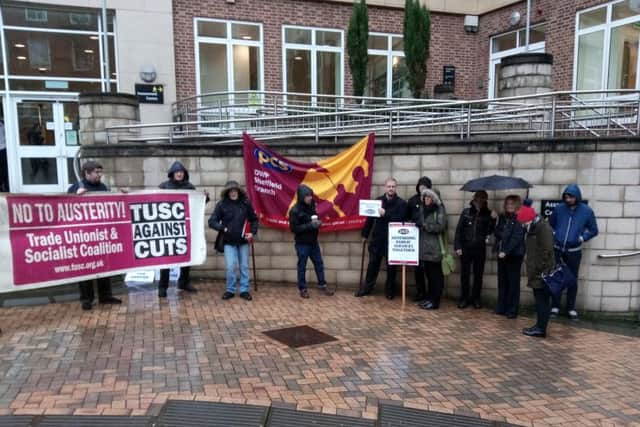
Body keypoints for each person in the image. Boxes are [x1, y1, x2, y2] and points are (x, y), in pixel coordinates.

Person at [68, 160, 121, 311]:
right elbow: (65, 207)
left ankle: (105, 295)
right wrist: (75, 196)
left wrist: (122, 196)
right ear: (87, 173)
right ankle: (86, 299)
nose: (100, 175)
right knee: (86, 268)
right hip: (84, 236)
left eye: (100, 172)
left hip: (100, 234)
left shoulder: (103, 188)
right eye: (96, 172)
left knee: (105, 266)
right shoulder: (77, 187)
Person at [157, 161, 209, 297]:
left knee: (186, 256)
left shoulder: (189, 187)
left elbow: (197, 203)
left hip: (185, 227)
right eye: (177, 171)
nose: (179, 174)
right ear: (172, 173)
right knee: (167, 258)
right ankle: (163, 287)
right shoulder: (164, 186)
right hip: (168, 228)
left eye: (181, 172)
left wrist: (205, 197)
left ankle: (184, 282)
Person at [549, 184, 598, 320]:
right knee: (556, 278)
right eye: (566, 197)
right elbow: (550, 224)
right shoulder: (559, 209)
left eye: (570, 197)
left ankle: (571, 308)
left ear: (577, 197)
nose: (568, 199)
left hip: (574, 252)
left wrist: (582, 238)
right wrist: (554, 234)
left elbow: (594, 230)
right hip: (558, 249)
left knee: (572, 280)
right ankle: (555, 306)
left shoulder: (587, 211)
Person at [356, 177, 407, 299]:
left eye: (393, 186)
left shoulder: (401, 203)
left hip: (392, 241)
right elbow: (369, 220)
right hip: (377, 240)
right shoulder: (378, 201)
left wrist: (385, 214)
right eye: (389, 186)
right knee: (373, 265)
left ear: (396, 188)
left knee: (391, 268)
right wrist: (365, 234)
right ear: (385, 187)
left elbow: (401, 219)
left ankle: (390, 291)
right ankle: (367, 288)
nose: (391, 189)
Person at [209, 180, 258, 301]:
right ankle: (230, 290)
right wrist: (222, 228)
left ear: (238, 191)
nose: (233, 192)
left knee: (244, 266)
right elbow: (212, 221)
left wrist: (252, 232)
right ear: (227, 192)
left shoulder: (246, 203)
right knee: (231, 266)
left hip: (243, 241)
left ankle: (244, 290)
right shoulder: (222, 204)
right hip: (228, 241)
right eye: (230, 191)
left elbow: (254, 219)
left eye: (235, 190)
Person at [288, 185, 334, 298]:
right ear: (302, 196)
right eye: (307, 196)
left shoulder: (312, 205)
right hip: (302, 243)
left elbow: (314, 217)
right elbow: (294, 229)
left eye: (310, 195)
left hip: (313, 242)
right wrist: (310, 225)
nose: (310, 198)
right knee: (302, 266)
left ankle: (322, 285)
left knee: (319, 263)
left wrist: (318, 223)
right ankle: (302, 289)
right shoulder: (294, 210)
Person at [454, 190, 496, 309]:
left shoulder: (487, 214)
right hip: (466, 248)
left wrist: (493, 219)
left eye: (483, 198)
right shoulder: (466, 212)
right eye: (478, 197)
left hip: (479, 249)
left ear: (485, 200)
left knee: (478, 276)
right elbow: (459, 231)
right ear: (474, 198)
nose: (480, 200)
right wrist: (458, 246)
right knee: (465, 275)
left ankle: (476, 299)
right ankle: (464, 299)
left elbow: (490, 231)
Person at [518, 203, 555, 338]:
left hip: (542, 272)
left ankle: (541, 329)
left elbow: (547, 250)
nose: (523, 225)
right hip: (537, 271)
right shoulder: (534, 227)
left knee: (542, 301)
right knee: (539, 301)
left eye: (523, 223)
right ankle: (539, 325)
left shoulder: (542, 228)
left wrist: (538, 269)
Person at [414, 188, 447, 310]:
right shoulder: (422, 209)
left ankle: (435, 301)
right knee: (428, 275)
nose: (426, 199)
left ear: (434, 199)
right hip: (424, 248)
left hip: (435, 249)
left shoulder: (440, 209)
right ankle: (429, 298)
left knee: (435, 277)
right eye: (425, 197)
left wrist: (425, 225)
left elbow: (441, 226)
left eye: (429, 197)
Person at [494, 195, 525, 319]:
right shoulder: (503, 218)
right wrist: (494, 220)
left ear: (517, 205)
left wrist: (505, 251)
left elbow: (516, 237)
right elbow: (496, 232)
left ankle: (512, 309)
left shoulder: (520, 218)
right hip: (502, 254)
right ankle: (501, 307)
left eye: (512, 204)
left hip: (514, 255)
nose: (509, 206)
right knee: (502, 282)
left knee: (513, 283)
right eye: (507, 204)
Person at [405, 176, 433, 302]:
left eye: (425, 187)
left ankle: (430, 294)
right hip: (415, 239)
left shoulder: (432, 200)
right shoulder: (412, 201)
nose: (422, 189)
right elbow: (406, 217)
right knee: (418, 268)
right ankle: (420, 292)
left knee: (429, 268)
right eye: (421, 186)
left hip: (428, 239)